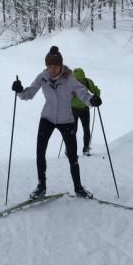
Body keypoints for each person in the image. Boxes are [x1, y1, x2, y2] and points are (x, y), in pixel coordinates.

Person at [12, 46, 102, 199]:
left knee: (73, 155)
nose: (52, 69)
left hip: (66, 120)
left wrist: (92, 101)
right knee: (40, 152)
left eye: (55, 66)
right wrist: (20, 90)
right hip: (47, 117)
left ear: (61, 65)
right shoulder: (42, 77)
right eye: (49, 66)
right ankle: (41, 187)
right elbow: (29, 94)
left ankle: (79, 188)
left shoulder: (69, 79)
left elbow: (83, 93)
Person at [70, 67, 101, 156]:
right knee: (73, 130)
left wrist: (96, 97)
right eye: (77, 79)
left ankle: (86, 148)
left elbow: (95, 90)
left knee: (86, 129)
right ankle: (70, 149)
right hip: (72, 110)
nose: (80, 81)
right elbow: (66, 98)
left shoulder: (87, 82)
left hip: (84, 109)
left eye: (81, 79)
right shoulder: (70, 84)